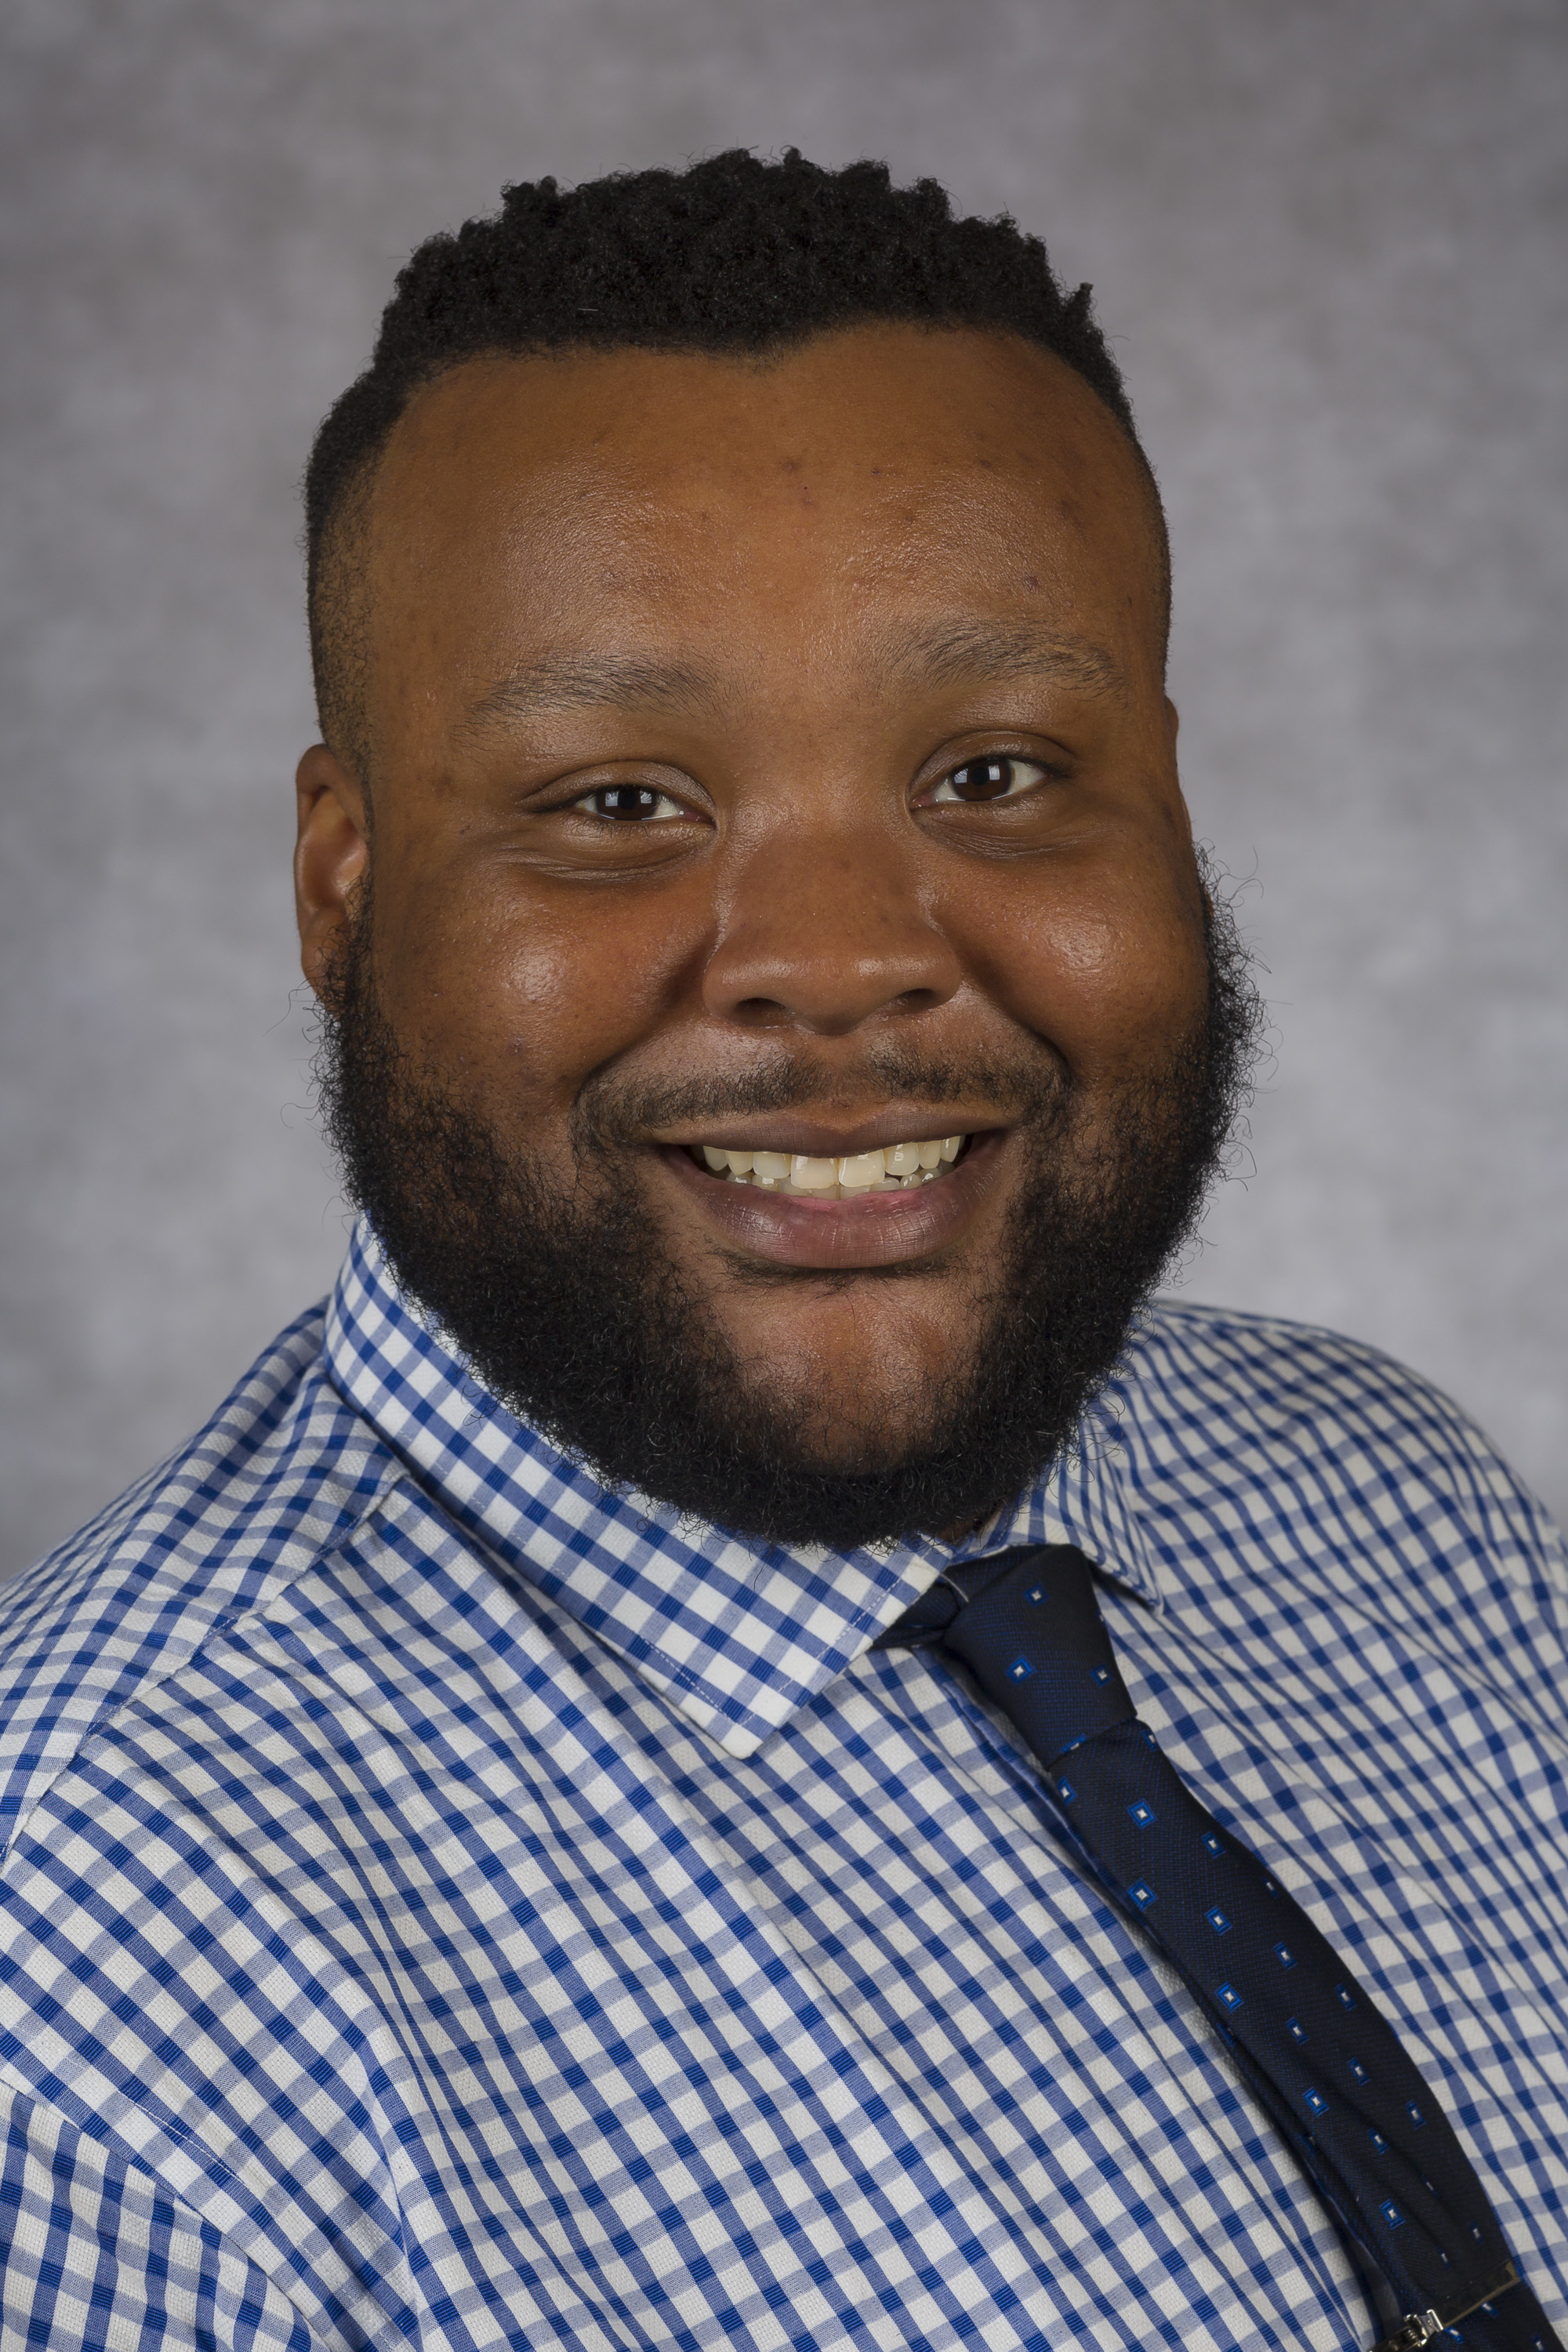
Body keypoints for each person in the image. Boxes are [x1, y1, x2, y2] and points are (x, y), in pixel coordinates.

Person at [0, 151, 1563, 2352]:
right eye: (620, 804)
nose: (837, 964)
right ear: (343, 889)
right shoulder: (90, 1993)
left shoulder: (1397, 1498)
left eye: (994, 773)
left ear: (1175, 800)